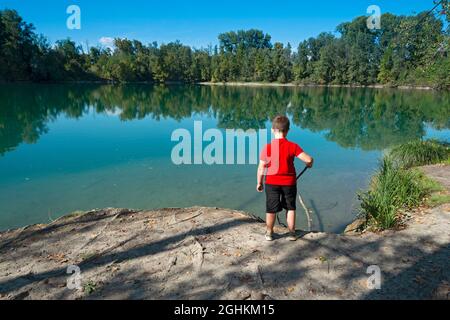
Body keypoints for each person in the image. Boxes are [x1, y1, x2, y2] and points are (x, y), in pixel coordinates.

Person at [257, 115, 314, 241]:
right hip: (289, 183)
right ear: (287, 131)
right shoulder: (292, 146)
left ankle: (269, 233)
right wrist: (310, 163)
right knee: (290, 207)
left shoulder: (267, 148)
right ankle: (292, 233)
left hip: (271, 182)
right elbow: (308, 159)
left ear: (272, 130)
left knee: (271, 209)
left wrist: (259, 183)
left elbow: (261, 168)